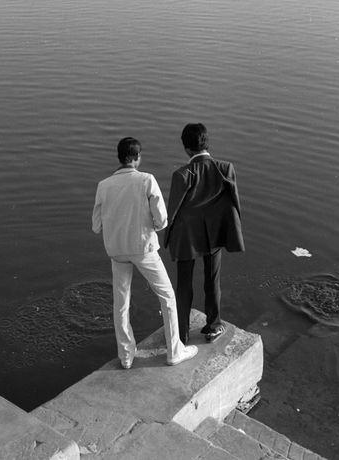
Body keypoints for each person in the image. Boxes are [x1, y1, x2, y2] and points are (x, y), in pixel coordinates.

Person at [92, 136, 198, 369]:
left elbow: (96, 225)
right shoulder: (146, 180)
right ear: (135, 158)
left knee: (121, 303)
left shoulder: (103, 185)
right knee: (167, 297)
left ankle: (126, 356)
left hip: (117, 251)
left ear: (120, 158)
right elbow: (161, 221)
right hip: (143, 249)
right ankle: (175, 352)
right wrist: (150, 225)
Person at [164, 123, 245, 345]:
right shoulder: (225, 168)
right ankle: (213, 325)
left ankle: (181, 334)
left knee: (183, 284)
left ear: (186, 148)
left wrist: (168, 238)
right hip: (215, 234)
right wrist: (232, 231)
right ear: (206, 143)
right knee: (212, 279)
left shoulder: (182, 174)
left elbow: (173, 211)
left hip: (187, 236)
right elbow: (234, 203)